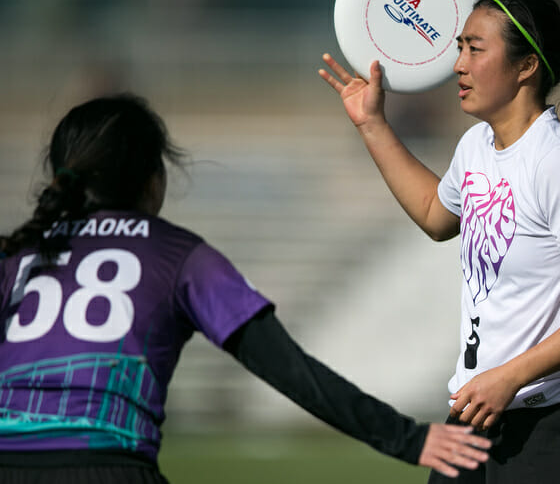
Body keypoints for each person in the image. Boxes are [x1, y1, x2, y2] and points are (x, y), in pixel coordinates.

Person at [0, 94, 492, 483]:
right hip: (109, 467)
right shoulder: (178, 255)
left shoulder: (17, 255)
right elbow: (289, 370)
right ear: (154, 178)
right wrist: (407, 438)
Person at [319, 0, 560, 483]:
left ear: (526, 66)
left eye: (475, 48)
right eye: (459, 48)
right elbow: (435, 215)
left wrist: (509, 377)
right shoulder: (476, 146)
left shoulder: (559, 164)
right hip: (475, 418)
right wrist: (373, 125)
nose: (459, 65)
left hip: (552, 428)